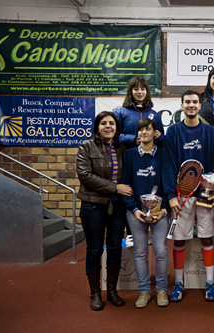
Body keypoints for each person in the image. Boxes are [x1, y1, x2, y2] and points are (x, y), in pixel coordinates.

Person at [163, 90, 214, 302]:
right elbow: (168, 165)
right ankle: (178, 283)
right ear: (182, 105)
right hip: (181, 196)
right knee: (179, 241)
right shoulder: (173, 132)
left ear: (199, 105)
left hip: (204, 196)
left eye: (195, 102)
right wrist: (171, 195)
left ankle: (209, 283)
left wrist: (212, 189)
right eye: (187, 102)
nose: (191, 105)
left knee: (206, 237)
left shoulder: (211, 132)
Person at [76, 111, 132, 311]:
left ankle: (112, 291)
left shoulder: (122, 148)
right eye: (104, 123)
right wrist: (115, 188)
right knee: (94, 249)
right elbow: (85, 175)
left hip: (117, 207)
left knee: (115, 248)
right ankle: (95, 293)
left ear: (117, 128)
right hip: (93, 205)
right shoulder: (86, 146)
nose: (108, 126)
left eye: (112, 123)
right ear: (97, 126)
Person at [120, 118, 169, 309]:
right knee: (140, 253)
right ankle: (144, 291)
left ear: (154, 132)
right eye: (140, 130)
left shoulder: (164, 154)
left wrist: (163, 209)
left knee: (161, 252)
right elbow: (126, 184)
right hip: (136, 213)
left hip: (160, 213)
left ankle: (162, 290)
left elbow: (168, 183)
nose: (143, 133)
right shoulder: (130, 155)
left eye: (147, 129)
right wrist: (133, 209)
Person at [113, 76, 165, 247]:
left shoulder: (154, 114)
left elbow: (162, 139)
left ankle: (150, 227)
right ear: (131, 91)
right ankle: (129, 234)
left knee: (149, 194)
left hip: (149, 161)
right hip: (128, 159)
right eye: (136, 89)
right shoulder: (122, 112)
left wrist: (159, 136)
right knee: (128, 193)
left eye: (143, 89)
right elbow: (115, 136)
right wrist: (132, 140)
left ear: (147, 91)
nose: (139, 92)